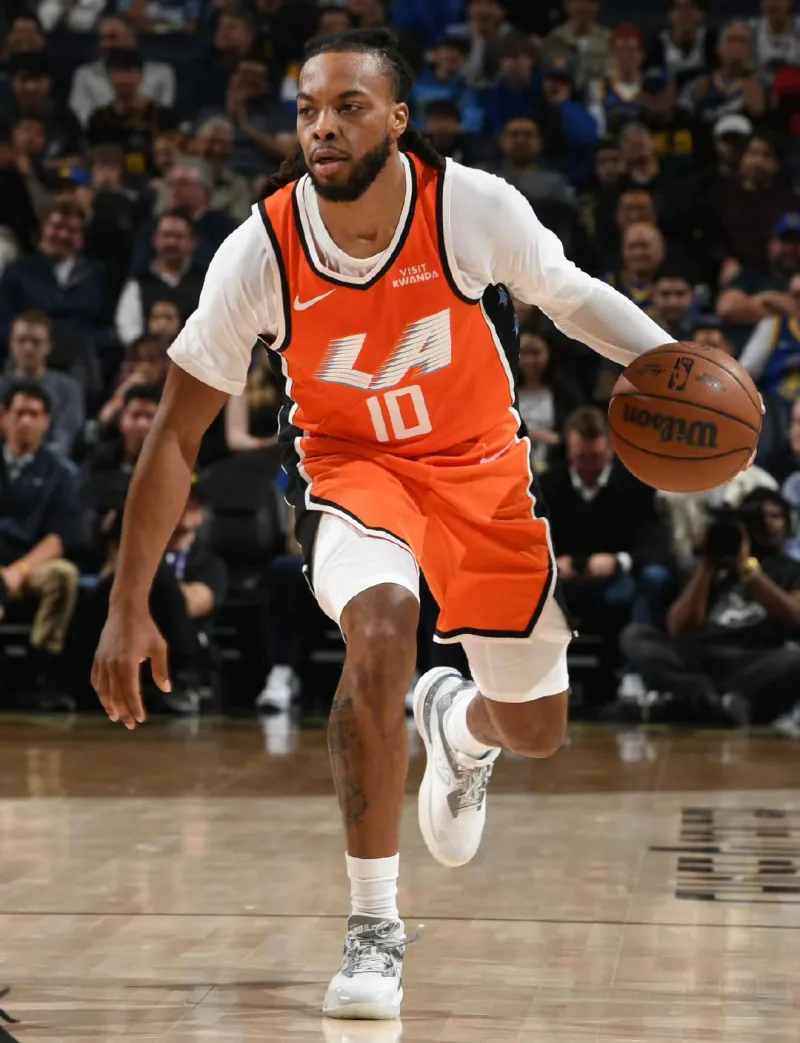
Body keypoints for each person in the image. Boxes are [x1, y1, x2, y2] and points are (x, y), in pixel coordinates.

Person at [91, 28, 675, 1020]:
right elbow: (176, 434)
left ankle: (457, 723)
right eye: (308, 109)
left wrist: (677, 363)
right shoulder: (260, 251)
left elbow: (571, 298)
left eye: (348, 106)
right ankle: (374, 924)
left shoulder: (470, 207)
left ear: (399, 119)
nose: (322, 126)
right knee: (379, 624)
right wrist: (126, 600)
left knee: (535, 728)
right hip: (349, 471)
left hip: (481, 471)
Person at [621, 489, 800, 727]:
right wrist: (706, 565)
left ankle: (695, 703)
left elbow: (795, 617)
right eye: (759, 517)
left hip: (753, 658)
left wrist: (747, 568)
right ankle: (717, 701)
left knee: (794, 657)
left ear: (789, 525)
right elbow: (678, 627)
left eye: (775, 516)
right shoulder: (716, 564)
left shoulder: (791, 569)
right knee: (635, 636)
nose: (767, 524)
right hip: (703, 657)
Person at [0, 381, 81, 703]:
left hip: (31, 566)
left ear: (46, 421)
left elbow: (60, 538)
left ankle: (41, 669)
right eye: (19, 412)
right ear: (4, 417)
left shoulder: (61, 474)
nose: (25, 421)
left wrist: (18, 571)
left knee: (64, 575)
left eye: (34, 414)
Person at [0, 199, 106, 351]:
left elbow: (105, 326)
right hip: (28, 354)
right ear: (43, 228)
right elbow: (3, 323)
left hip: (82, 355)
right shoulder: (18, 271)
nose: (63, 236)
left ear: (81, 237)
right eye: (57, 227)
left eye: (72, 230)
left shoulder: (96, 274)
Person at [0, 311, 84, 459]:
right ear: (11, 344)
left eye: (35, 341)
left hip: (51, 463)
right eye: (21, 340)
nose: (28, 348)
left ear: (48, 346)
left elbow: (64, 437)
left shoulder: (68, 389)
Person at [115, 210, 204, 346]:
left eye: (179, 237)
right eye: (166, 236)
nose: (172, 242)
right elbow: (129, 331)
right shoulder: (137, 284)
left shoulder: (208, 282)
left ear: (193, 242)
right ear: (155, 240)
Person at [68, 15, 176, 127]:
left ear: (132, 39)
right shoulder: (85, 74)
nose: (106, 44)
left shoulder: (161, 73)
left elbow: (164, 116)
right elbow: (80, 117)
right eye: (102, 38)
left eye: (112, 37)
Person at [86, 50, 176, 179]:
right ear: (109, 77)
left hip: (155, 180)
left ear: (141, 76)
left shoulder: (161, 115)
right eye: (117, 72)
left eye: (129, 72)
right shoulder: (98, 118)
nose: (123, 78)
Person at [516, 327, 584, 472]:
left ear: (548, 352)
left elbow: (579, 426)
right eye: (524, 353)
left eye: (536, 353)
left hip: (555, 464)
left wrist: (558, 439)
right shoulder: (506, 389)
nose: (530, 360)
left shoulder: (565, 390)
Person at [483, 117, 576, 208]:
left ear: (540, 142)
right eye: (514, 134)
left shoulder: (555, 181)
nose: (521, 140)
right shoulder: (483, 176)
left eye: (528, 135)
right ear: (502, 140)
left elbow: (568, 214)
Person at [739, 271, 800, 406]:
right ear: (788, 298)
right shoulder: (774, 325)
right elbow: (743, 377)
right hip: (777, 413)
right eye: (797, 296)